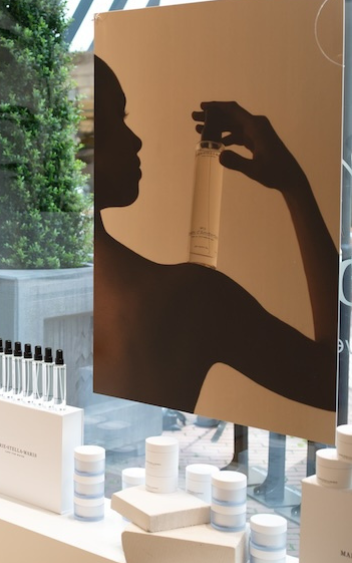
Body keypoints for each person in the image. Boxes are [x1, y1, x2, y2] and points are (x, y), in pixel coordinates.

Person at [91, 53, 337, 414]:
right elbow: (335, 383)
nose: (136, 140)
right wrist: (295, 187)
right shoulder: (190, 298)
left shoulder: (13, 288)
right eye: (117, 117)